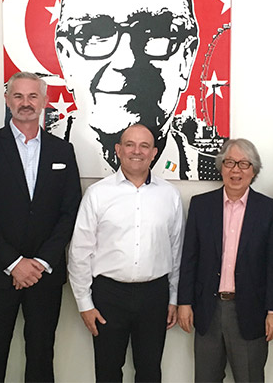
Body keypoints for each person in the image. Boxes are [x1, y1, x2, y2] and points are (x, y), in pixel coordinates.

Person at [0, 71, 81, 382]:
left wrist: (40, 263)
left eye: (32, 96)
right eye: (18, 96)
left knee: (42, 358)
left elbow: (70, 212)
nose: (25, 103)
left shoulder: (63, 151)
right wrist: (15, 264)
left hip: (45, 275)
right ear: (7, 100)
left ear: (44, 101)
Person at [55, 0, 201, 179]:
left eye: (154, 31)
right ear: (65, 58)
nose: (126, 60)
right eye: (95, 32)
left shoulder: (208, 167)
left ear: (187, 58)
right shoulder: (35, 163)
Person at [67, 123, 184, 382]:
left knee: (150, 371)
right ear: (118, 150)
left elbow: (177, 250)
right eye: (130, 145)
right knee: (108, 371)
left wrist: (173, 297)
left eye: (144, 146)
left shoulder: (170, 195)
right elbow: (79, 252)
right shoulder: (97, 194)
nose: (137, 151)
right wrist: (84, 303)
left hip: (155, 295)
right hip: (109, 296)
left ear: (154, 153)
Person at [177, 139, 273, 382]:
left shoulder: (269, 210)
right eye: (230, 163)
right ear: (221, 167)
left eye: (244, 164)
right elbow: (189, 257)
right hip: (207, 310)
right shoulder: (201, 206)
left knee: (250, 377)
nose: (236, 170)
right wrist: (184, 303)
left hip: (250, 311)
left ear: (254, 170)